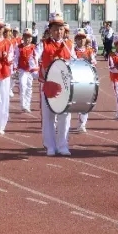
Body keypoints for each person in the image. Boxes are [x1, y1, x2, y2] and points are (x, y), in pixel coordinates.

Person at [36, 12, 74, 156]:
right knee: (48, 117)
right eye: (55, 29)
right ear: (50, 30)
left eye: (61, 29)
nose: (58, 32)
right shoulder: (44, 44)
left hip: (64, 86)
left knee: (65, 115)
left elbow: (75, 63)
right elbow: (33, 59)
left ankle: (63, 145)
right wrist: (39, 73)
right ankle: (50, 146)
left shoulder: (69, 45)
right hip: (48, 85)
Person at [71, 28, 96, 133]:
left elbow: (94, 62)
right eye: (79, 38)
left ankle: (82, 124)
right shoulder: (72, 50)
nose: (81, 40)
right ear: (75, 40)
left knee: (85, 102)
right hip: (75, 79)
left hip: (86, 79)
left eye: (83, 38)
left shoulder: (90, 50)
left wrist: (91, 61)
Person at [15, 28, 38, 113]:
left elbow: (36, 59)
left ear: (31, 38)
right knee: (22, 85)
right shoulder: (19, 47)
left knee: (29, 87)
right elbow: (16, 58)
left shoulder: (34, 47)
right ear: (23, 37)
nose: (27, 39)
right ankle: (23, 104)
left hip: (30, 71)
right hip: (22, 70)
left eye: (29, 37)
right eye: (26, 37)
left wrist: (36, 69)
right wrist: (15, 68)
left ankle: (27, 105)